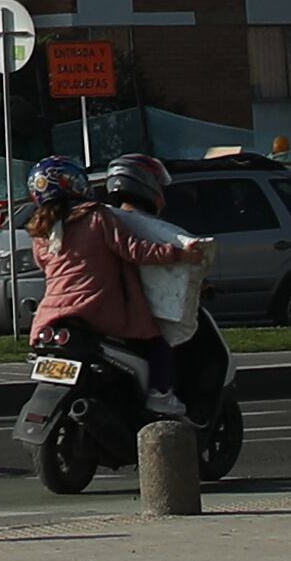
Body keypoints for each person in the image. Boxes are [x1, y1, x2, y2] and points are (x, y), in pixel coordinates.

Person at [20, 161, 200, 407]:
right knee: (158, 343)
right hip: (97, 310)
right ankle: (161, 396)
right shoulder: (96, 217)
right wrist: (180, 255)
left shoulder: (40, 232)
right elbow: (136, 251)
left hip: (50, 316)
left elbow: (45, 267)